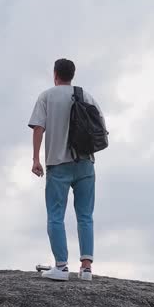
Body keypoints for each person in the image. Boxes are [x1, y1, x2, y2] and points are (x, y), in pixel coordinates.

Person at [27, 58, 105, 281]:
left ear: (55, 74)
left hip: (57, 163)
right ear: (73, 75)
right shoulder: (85, 95)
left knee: (55, 216)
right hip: (85, 163)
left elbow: (38, 128)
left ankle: (61, 267)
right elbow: (101, 127)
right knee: (85, 216)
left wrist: (35, 159)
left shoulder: (46, 96)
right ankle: (86, 268)